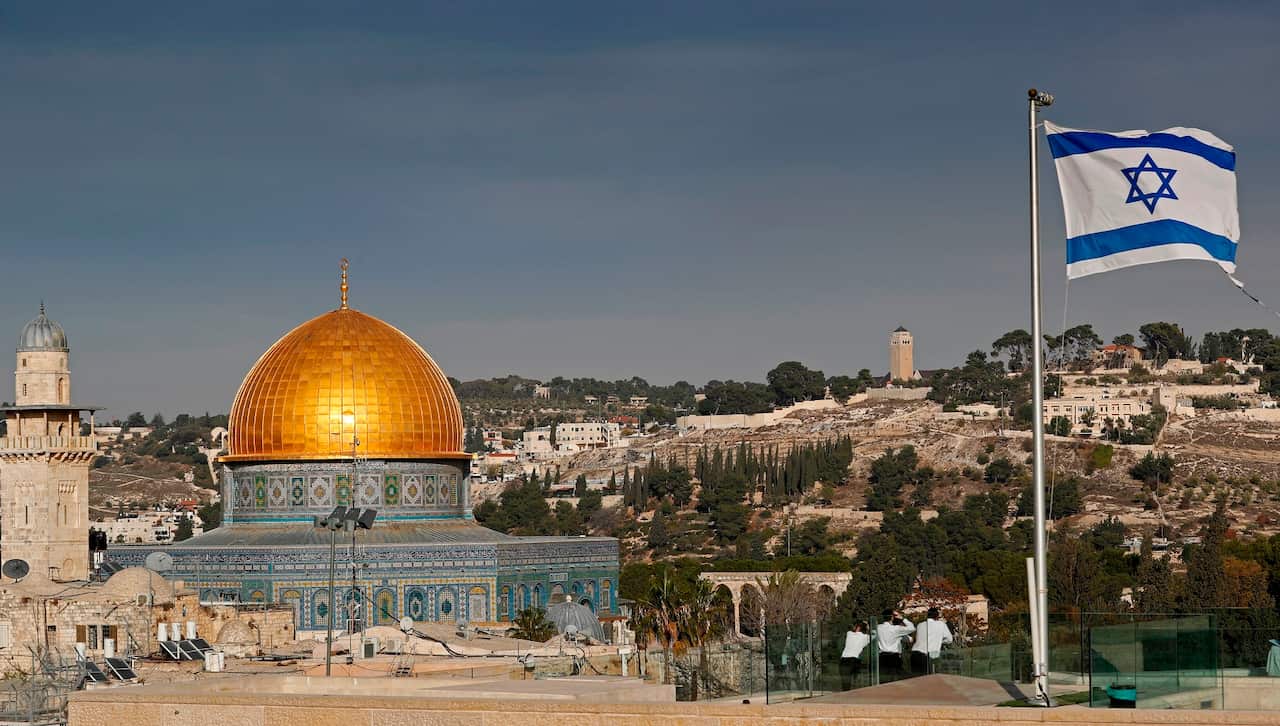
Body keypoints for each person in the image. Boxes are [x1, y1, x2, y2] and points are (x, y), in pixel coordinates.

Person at [910, 607, 954, 675]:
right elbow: (950, 639)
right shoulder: (941, 624)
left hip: (914, 655)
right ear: (937, 617)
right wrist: (940, 641)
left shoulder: (920, 625)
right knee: (929, 681)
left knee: (916, 681)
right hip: (927, 657)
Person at [875, 609, 915, 678]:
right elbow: (912, 628)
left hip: (882, 657)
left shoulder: (878, 627)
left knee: (883, 680)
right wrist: (902, 618)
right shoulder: (896, 629)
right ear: (892, 617)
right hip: (894, 658)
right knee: (894, 680)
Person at [839, 622, 871, 690]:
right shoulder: (866, 637)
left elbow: (851, 627)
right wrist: (868, 627)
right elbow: (874, 635)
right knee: (854, 682)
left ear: (858, 628)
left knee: (845, 683)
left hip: (844, 660)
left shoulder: (849, 633)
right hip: (854, 660)